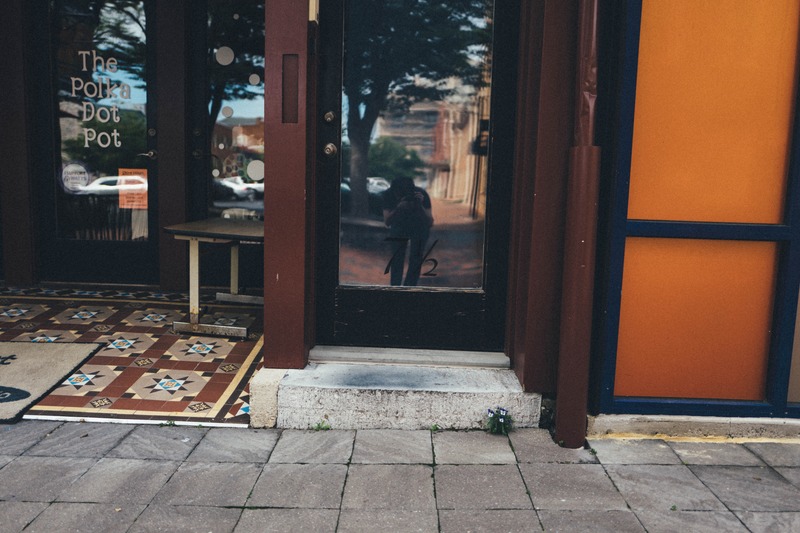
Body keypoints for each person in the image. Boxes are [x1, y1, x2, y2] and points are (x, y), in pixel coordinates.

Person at [381, 177, 434, 286]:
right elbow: (387, 222)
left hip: (419, 226)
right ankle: (395, 286)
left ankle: (410, 287)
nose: (404, 197)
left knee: (416, 259)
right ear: (394, 190)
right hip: (399, 225)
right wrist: (398, 208)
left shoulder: (421, 195)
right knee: (397, 258)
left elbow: (430, 221)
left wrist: (420, 206)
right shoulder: (388, 194)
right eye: (399, 194)